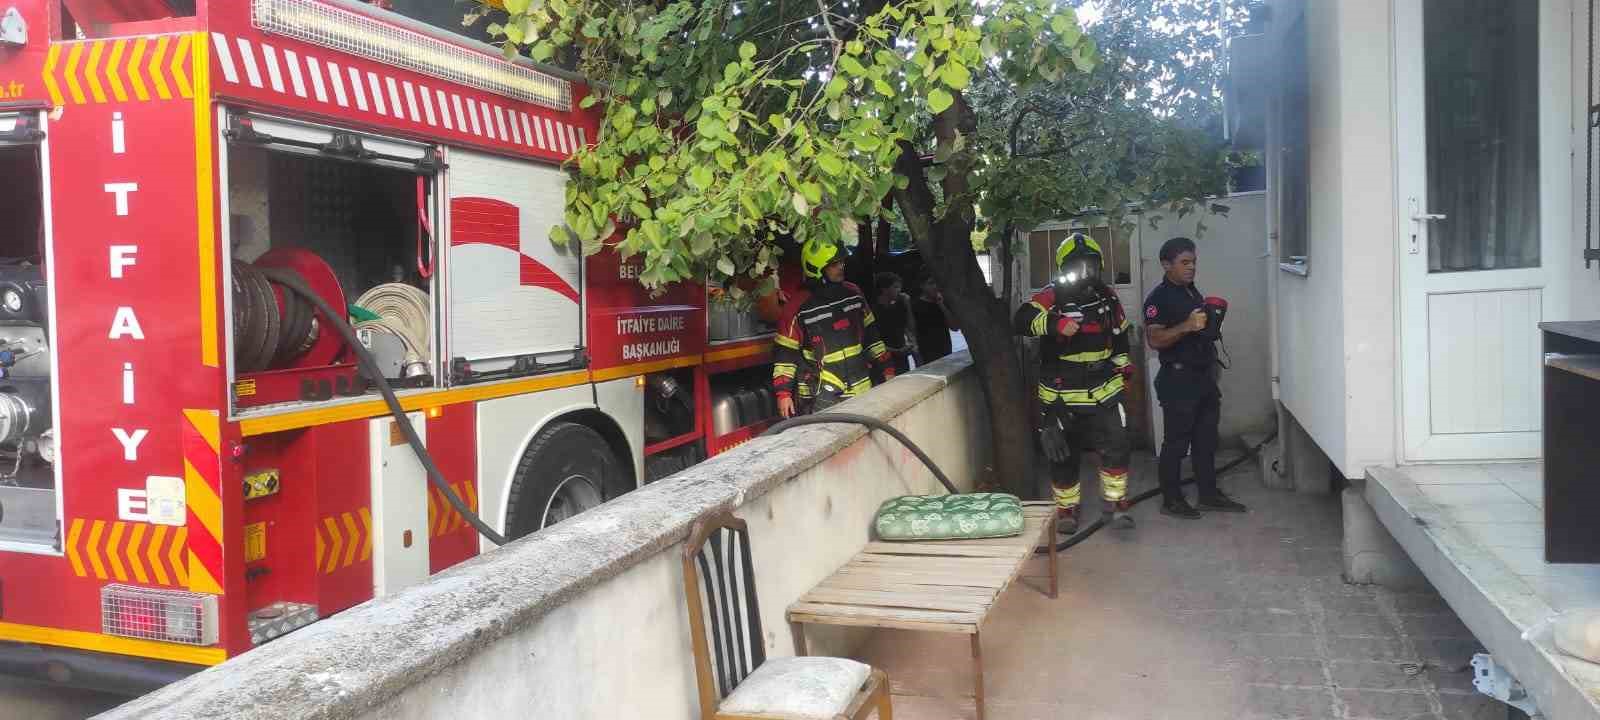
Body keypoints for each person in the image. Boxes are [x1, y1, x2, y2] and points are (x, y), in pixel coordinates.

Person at [1014, 233, 1137, 534]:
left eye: (1090, 264)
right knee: (1062, 454)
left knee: (1117, 445)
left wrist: (1124, 367)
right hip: (1061, 394)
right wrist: (1054, 323)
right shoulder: (1051, 296)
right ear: (1063, 267)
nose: (1084, 271)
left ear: (1099, 266)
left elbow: (1120, 336)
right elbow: (1022, 319)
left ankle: (1115, 502)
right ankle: (1067, 509)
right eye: (1076, 265)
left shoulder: (1108, 298)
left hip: (1104, 389)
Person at [1143, 236, 1248, 519]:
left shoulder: (1191, 291)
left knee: (1206, 441)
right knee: (1176, 445)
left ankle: (1209, 495)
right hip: (1178, 380)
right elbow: (1155, 339)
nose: (1191, 267)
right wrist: (1187, 326)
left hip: (1203, 378)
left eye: (1193, 262)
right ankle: (1171, 500)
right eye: (1184, 262)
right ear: (1167, 265)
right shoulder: (1158, 299)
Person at [773, 238, 895, 417]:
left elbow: (872, 337)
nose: (841, 267)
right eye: (833, 264)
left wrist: (887, 368)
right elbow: (785, 355)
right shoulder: (796, 307)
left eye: (841, 262)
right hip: (820, 397)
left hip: (860, 387)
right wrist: (783, 394)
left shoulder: (853, 293)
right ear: (816, 268)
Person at [871, 271, 917, 378]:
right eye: (895, 287)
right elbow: (874, 342)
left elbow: (911, 328)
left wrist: (908, 305)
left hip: (902, 357)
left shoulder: (898, 307)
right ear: (884, 289)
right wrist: (897, 351)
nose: (899, 290)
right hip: (885, 361)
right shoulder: (875, 312)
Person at [911, 274, 958, 365]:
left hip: (946, 350)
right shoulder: (915, 305)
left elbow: (955, 327)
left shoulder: (943, 302)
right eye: (931, 283)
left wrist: (941, 305)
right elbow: (912, 332)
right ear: (922, 286)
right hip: (927, 354)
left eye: (936, 283)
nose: (935, 286)